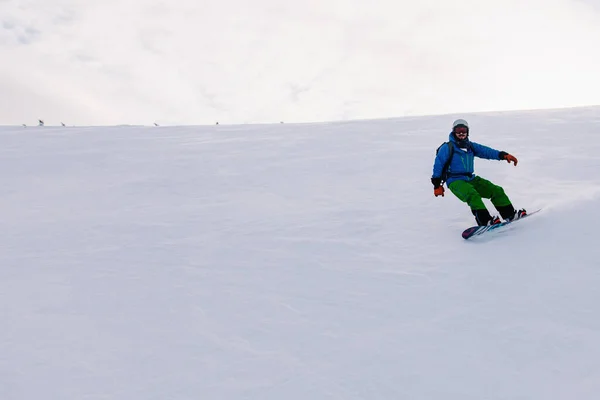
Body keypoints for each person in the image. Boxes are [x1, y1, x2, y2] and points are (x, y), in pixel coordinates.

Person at [431, 119, 526, 226]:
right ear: (454, 132)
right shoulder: (447, 147)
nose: (461, 133)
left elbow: (486, 151)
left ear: (467, 132)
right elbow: (438, 165)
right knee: (472, 194)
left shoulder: (470, 146)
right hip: (455, 181)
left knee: (496, 190)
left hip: (471, 179)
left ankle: (510, 215)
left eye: (463, 130)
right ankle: (485, 221)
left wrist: (503, 155)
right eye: (458, 130)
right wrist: (436, 185)